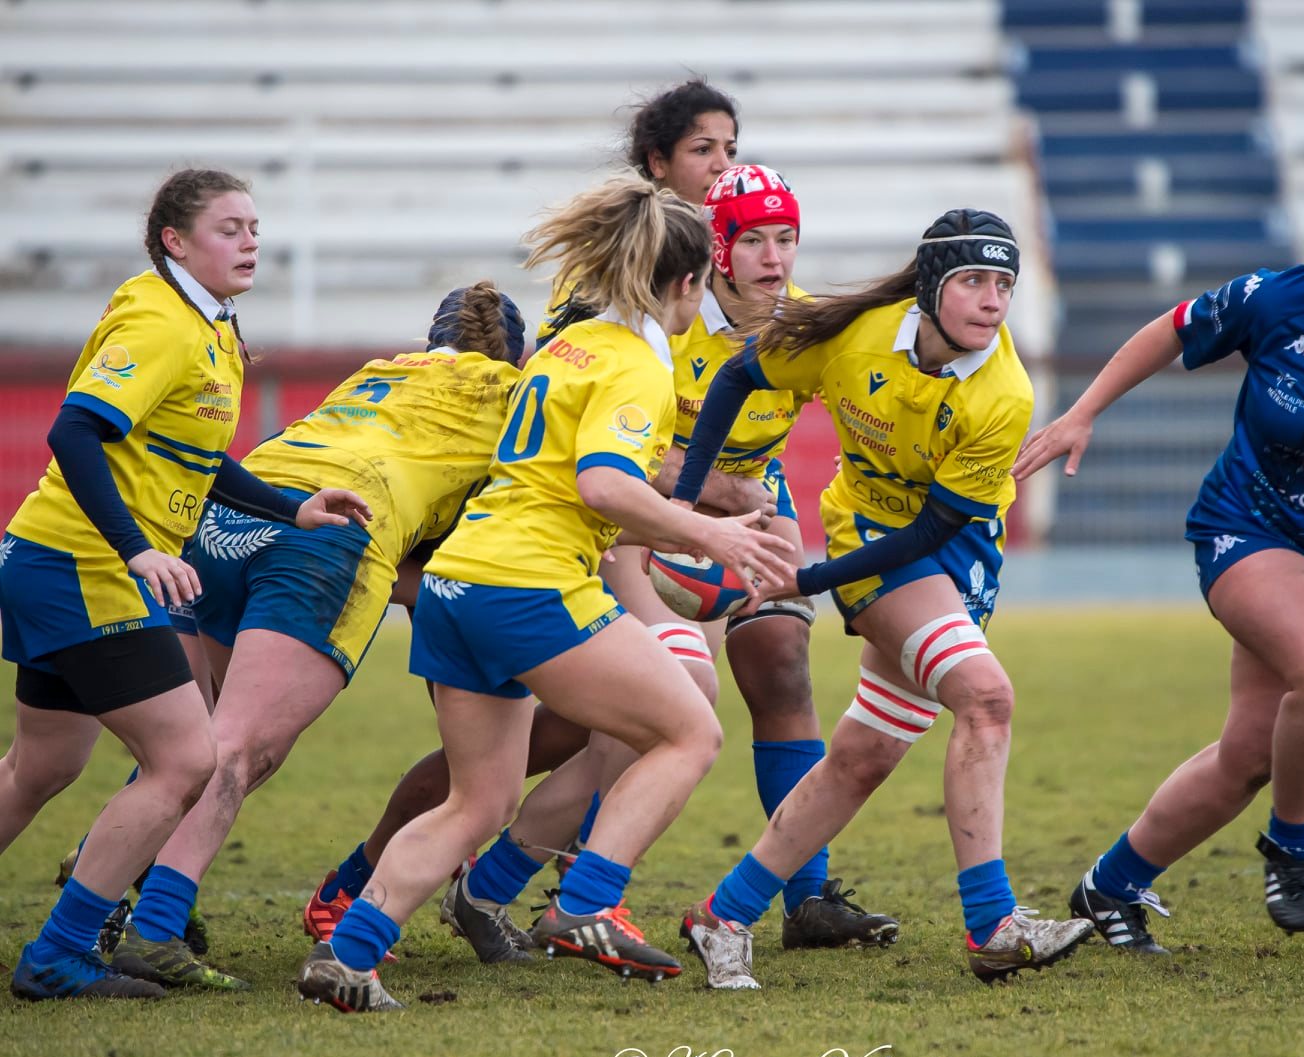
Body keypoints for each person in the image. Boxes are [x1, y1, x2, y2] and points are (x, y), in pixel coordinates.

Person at [295, 176, 796, 1011]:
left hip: (460, 579)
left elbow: (562, 487)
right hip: (527, 583)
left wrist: (677, 528)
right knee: (689, 732)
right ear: (686, 283)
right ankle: (588, 902)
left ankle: (348, 955)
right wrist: (710, 532)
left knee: (477, 801)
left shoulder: (571, 344)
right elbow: (602, 486)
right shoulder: (637, 365)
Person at [1011, 166, 1304, 952]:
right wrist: (1081, 412)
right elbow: (1171, 326)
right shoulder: (1277, 300)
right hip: (1244, 532)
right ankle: (1292, 853)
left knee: (1248, 755)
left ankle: (1109, 886)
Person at [441, 164, 898, 958]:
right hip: (632, 532)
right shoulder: (634, 323)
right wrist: (709, 496)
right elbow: (595, 454)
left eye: (786, 237)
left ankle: (807, 893)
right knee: (660, 710)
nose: (773, 257)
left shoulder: (808, 327)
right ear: (710, 255)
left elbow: (879, 401)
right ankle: (541, 892)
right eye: (752, 238)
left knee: (773, 673)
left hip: (730, 526)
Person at [671, 209, 1095, 989]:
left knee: (860, 760)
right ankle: (993, 923)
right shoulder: (858, 333)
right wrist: (685, 503)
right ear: (931, 286)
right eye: (973, 280)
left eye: (1004, 284)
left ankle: (720, 916)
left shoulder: (1004, 393)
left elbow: (936, 527)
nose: (992, 300)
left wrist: (800, 581)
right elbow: (738, 376)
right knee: (986, 697)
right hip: (868, 540)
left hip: (951, 551)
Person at [83, 282, 534, 990]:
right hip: (326, 537)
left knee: (199, 746)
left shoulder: (381, 372)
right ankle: (156, 929)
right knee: (237, 747)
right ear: (520, 353)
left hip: (229, 513)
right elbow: (475, 548)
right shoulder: (511, 397)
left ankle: (109, 872)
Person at [0, 168, 368, 1001]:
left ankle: (67, 946)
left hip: (58, 564)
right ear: (174, 239)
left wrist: (293, 508)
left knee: (41, 767)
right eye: (229, 228)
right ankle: (59, 957)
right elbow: (74, 431)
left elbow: (197, 460)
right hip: (82, 569)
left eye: (254, 228)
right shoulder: (163, 321)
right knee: (186, 760)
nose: (251, 242)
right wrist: (134, 550)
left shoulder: (206, 322)